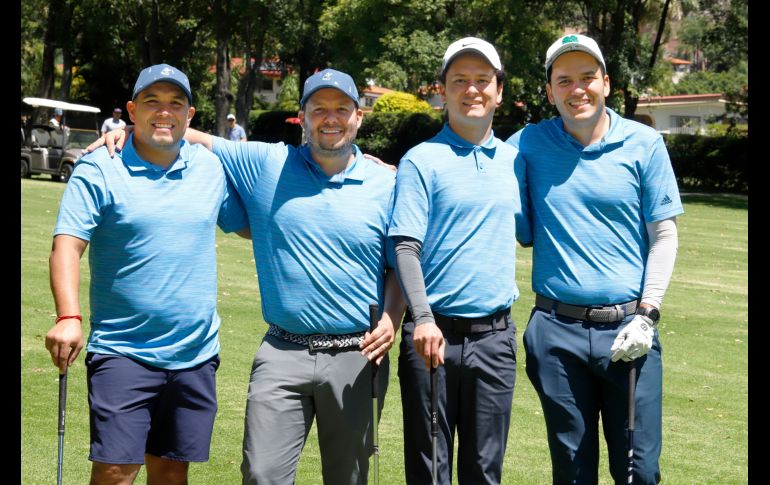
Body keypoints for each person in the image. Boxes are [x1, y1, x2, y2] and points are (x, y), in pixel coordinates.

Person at [92, 67, 405, 485]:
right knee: (261, 474)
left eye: (342, 109)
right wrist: (129, 133)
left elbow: (400, 263)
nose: (331, 118)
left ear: (358, 117)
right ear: (302, 115)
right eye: (319, 109)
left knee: (348, 477)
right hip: (282, 350)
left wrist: (392, 318)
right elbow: (193, 136)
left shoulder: (386, 183)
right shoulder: (266, 161)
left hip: (358, 353)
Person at [44, 63, 249, 485]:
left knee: (172, 472)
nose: (164, 112)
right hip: (124, 350)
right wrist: (68, 316)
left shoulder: (209, 168)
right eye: (152, 102)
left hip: (195, 353)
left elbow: (249, 223)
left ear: (190, 116)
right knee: (117, 471)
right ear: (131, 111)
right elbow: (67, 244)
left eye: (176, 103)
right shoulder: (99, 167)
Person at [506, 33, 682, 484]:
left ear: (606, 82)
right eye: (564, 80)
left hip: (630, 329)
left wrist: (648, 313)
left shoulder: (644, 143)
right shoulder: (523, 145)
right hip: (556, 333)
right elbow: (469, 165)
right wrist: (389, 173)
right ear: (549, 91)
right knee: (572, 471)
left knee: (639, 472)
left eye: (587, 77)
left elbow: (663, 234)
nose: (577, 89)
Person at [388, 37, 529, 485]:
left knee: (485, 471)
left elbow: (533, 231)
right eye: (460, 81)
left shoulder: (517, 161)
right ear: (442, 90)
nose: (472, 90)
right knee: (431, 470)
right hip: (432, 337)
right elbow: (404, 246)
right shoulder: (420, 160)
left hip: (495, 339)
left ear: (499, 90)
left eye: (482, 80)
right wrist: (423, 318)